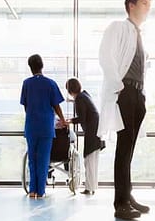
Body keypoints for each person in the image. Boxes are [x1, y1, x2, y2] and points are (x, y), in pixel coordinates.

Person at [98, 0, 152, 220]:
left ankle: (127, 196)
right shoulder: (118, 27)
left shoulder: (139, 35)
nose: (148, 8)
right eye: (144, 3)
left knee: (129, 148)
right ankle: (120, 203)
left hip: (138, 94)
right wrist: (118, 86)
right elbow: (105, 56)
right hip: (125, 91)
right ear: (131, 5)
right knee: (123, 147)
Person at [20, 54, 66, 199]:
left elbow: (26, 106)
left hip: (31, 126)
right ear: (42, 65)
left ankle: (32, 191)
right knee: (43, 159)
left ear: (30, 67)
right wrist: (63, 120)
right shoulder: (50, 83)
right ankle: (40, 191)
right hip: (46, 126)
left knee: (32, 159)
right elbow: (56, 105)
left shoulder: (26, 83)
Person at [65, 78, 102, 195]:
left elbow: (82, 118)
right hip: (97, 130)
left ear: (69, 90)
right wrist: (72, 101)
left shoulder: (79, 99)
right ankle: (92, 187)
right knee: (94, 160)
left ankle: (89, 188)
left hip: (91, 131)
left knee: (89, 160)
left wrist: (69, 121)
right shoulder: (85, 95)